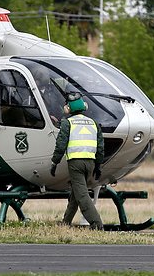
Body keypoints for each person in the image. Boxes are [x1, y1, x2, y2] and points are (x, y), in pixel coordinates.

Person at [50, 92, 104, 230]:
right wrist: (98, 166)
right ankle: (66, 222)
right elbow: (100, 147)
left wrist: (55, 162)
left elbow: (61, 145)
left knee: (82, 195)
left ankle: (96, 224)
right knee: (76, 192)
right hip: (90, 163)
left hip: (76, 164)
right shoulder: (93, 123)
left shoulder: (67, 123)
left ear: (68, 108)